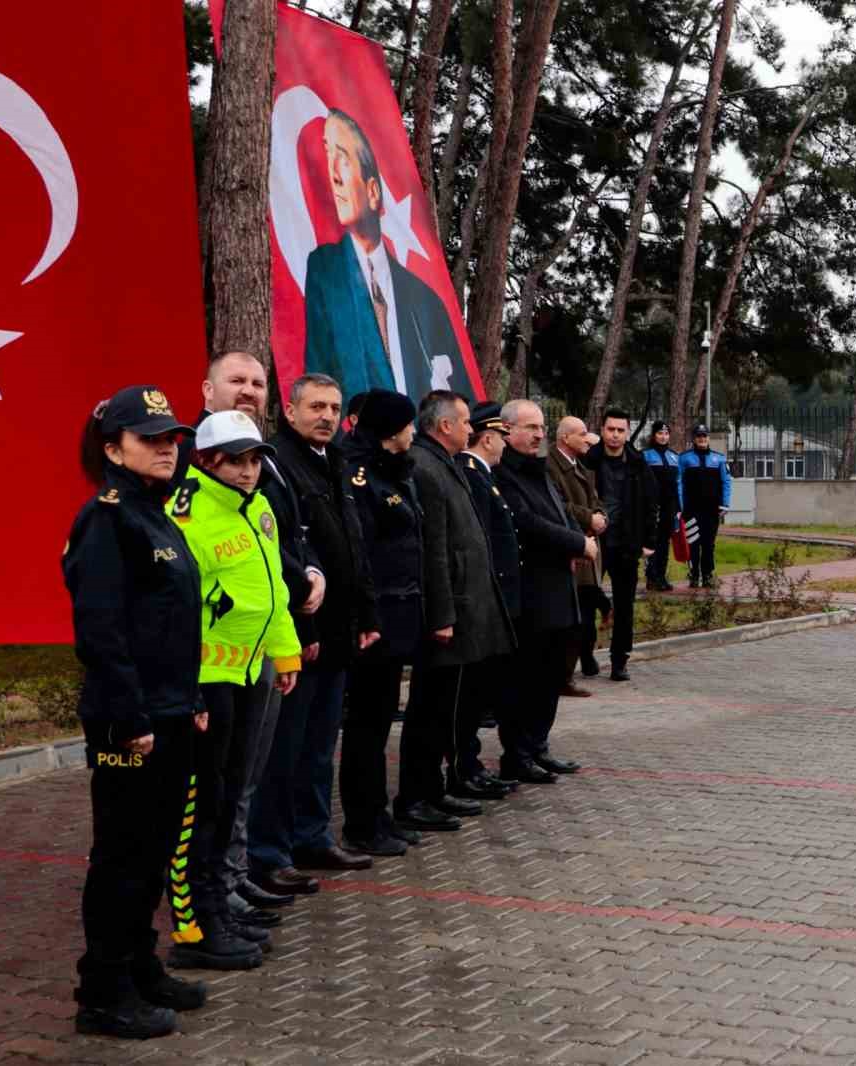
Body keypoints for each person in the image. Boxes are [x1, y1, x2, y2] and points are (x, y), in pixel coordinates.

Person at [65, 386, 207, 1039]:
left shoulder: (157, 515)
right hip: (133, 721)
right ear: (113, 446)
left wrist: (192, 700)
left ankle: (141, 966)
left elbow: (173, 624)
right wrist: (133, 718)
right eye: (150, 437)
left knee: (152, 850)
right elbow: (103, 631)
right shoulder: (108, 518)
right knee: (121, 854)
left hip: (172, 711)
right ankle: (104, 989)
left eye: (172, 437)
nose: (167, 447)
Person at [166, 411, 303, 973]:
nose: (248, 472)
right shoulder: (190, 515)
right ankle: (192, 923)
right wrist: (188, 687)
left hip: (251, 674)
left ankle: (219, 905)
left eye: (253, 461)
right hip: (207, 678)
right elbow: (177, 610)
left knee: (229, 797)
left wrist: (286, 651)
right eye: (236, 461)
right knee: (203, 804)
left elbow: (272, 590)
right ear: (205, 460)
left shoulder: (260, 509)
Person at [199, 351, 320, 920]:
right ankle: (210, 893)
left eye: (257, 382)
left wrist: (288, 645)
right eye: (236, 381)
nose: (248, 390)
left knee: (246, 778)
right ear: (207, 390)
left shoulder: (263, 478)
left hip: (260, 657)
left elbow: (272, 567)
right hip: (213, 667)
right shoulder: (189, 479)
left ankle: (235, 875)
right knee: (217, 789)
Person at [248, 374, 378, 896]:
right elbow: (283, 555)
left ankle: (312, 835)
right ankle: (270, 852)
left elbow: (350, 541)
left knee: (320, 746)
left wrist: (365, 613)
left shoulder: (336, 459)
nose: (326, 415)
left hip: (338, 628)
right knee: (286, 750)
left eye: (333, 407)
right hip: (301, 632)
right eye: (315, 406)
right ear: (290, 408)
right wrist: (301, 629)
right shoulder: (276, 462)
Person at [395, 391, 514, 831]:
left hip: (463, 608)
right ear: (444, 426)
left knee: (443, 711)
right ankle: (414, 798)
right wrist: (443, 614)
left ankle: (431, 792)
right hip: (449, 614)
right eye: (465, 423)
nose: (472, 430)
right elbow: (436, 551)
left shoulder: (445, 464)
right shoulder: (426, 467)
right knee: (429, 711)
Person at [303, 108, 471, 402]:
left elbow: (459, 404)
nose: (332, 175)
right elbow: (315, 378)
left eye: (342, 158)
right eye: (327, 154)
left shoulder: (426, 301)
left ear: (372, 191)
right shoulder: (324, 271)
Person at [338, 390, 425, 855]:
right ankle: (362, 822)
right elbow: (362, 553)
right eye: (408, 424)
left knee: (377, 723)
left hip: (397, 615)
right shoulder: (359, 475)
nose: (414, 432)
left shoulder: (392, 471)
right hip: (374, 618)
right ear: (392, 430)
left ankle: (378, 815)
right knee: (365, 726)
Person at [495, 400, 596, 780]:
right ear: (507, 430)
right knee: (527, 677)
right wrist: (575, 544)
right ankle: (517, 754)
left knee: (551, 675)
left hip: (559, 589)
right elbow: (526, 522)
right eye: (530, 427)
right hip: (533, 593)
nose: (539, 434)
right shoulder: (504, 474)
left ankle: (538, 745)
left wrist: (577, 539)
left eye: (541, 428)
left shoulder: (539, 471)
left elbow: (561, 512)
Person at [450, 402, 521, 799]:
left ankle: (471, 763)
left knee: (479, 693)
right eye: (502, 438)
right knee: (470, 695)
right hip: (480, 601)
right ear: (489, 437)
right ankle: (464, 764)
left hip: (494, 601)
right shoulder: (473, 476)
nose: (505, 446)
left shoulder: (484, 476)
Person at [585, 409, 661, 681]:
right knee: (586, 597)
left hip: (627, 544)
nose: (615, 435)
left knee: (625, 604)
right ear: (602, 430)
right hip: (594, 543)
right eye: (610, 429)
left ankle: (620, 661)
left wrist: (649, 541)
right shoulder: (589, 462)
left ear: (627, 432)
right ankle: (586, 652)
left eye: (620, 430)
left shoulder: (638, 464)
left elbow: (652, 504)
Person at [547, 416, 606, 690]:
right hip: (570, 548)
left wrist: (602, 517)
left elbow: (595, 500)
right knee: (571, 616)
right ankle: (562, 676)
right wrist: (588, 518)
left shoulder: (579, 465)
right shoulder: (550, 466)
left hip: (588, 549)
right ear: (565, 438)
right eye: (582, 434)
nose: (587, 438)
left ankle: (568, 673)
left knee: (583, 613)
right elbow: (557, 505)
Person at [677, 424, 732, 588]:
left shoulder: (719, 458)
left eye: (705, 436)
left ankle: (707, 576)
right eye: (699, 436)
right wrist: (680, 506)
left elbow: (726, 482)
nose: (702, 439)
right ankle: (694, 576)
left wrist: (725, 504)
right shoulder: (684, 458)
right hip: (691, 510)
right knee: (693, 544)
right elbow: (678, 483)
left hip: (712, 510)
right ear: (694, 438)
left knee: (709, 544)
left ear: (708, 438)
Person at [641, 421, 680, 592]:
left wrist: (678, 509)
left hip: (669, 506)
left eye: (666, 434)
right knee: (652, 541)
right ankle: (651, 578)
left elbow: (677, 484)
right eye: (659, 433)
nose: (663, 437)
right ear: (654, 435)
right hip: (651, 506)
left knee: (665, 542)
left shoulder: (674, 456)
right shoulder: (646, 456)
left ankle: (662, 577)